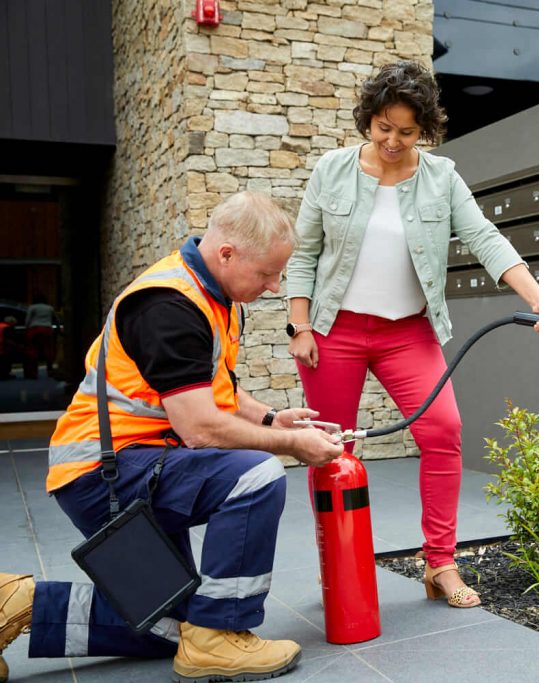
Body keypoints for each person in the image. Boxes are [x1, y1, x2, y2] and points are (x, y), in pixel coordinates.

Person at [0, 192, 347, 683]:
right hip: (105, 474)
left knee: (170, 625)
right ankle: (220, 639)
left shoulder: (211, 295)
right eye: (267, 274)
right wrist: (291, 446)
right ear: (227, 254)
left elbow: (214, 387)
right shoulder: (168, 305)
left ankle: (17, 604)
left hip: (137, 464)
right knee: (255, 475)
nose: (274, 287)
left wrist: (273, 420)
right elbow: (200, 427)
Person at [286, 60, 539, 609]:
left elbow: (485, 238)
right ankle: (336, 564)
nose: (392, 140)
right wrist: (299, 324)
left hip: (408, 332)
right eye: (383, 127)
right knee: (328, 451)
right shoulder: (331, 170)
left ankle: (440, 564)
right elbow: (305, 252)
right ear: (369, 119)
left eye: (407, 132)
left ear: (426, 130)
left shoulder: (441, 177)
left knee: (443, 431)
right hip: (332, 331)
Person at [24, 294, 57, 377]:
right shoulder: (49, 308)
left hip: (34, 329)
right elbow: (55, 319)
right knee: (48, 350)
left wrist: (26, 328)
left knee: (34, 350)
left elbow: (28, 320)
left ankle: (34, 371)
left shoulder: (32, 307)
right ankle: (49, 369)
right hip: (47, 329)